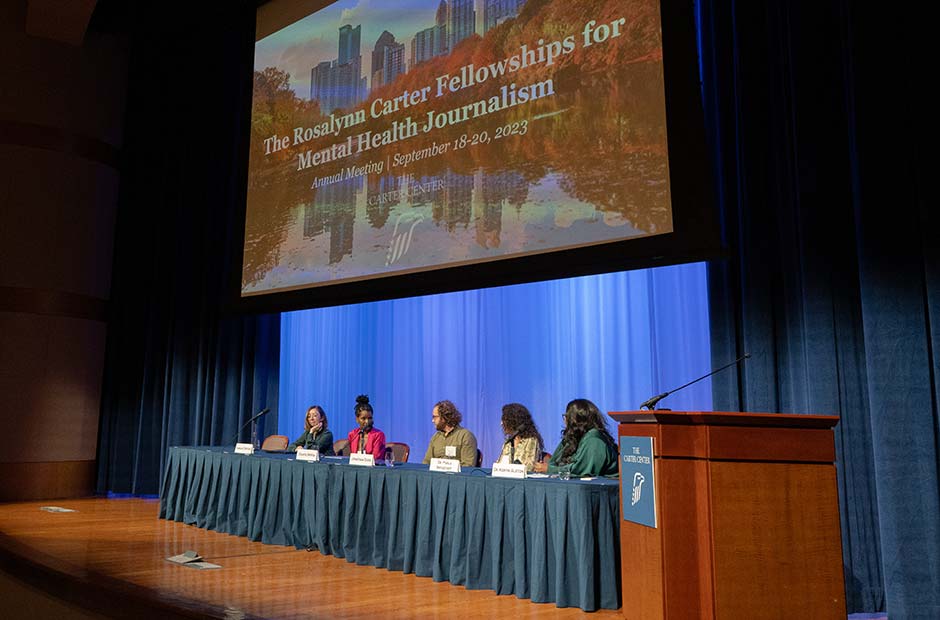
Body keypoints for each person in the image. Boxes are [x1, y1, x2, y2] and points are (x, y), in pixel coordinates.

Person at [532, 399, 618, 477]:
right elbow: (554, 461)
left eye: (567, 416)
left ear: (576, 419)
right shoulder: (572, 438)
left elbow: (582, 470)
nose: (564, 419)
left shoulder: (594, 440)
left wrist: (550, 469)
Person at [422, 400, 478, 467]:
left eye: (435, 417)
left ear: (444, 417)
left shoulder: (465, 436)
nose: (433, 420)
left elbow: (468, 466)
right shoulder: (436, 437)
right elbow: (426, 462)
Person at [496, 403, 545, 472]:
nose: (501, 423)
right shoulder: (509, 441)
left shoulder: (531, 440)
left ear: (514, 421)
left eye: (504, 419)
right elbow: (499, 465)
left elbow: (528, 468)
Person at [346, 394, 386, 460]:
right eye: (363, 418)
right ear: (357, 419)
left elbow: (376, 458)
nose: (367, 421)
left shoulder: (378, 435)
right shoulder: (353, 434)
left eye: (370, 418)